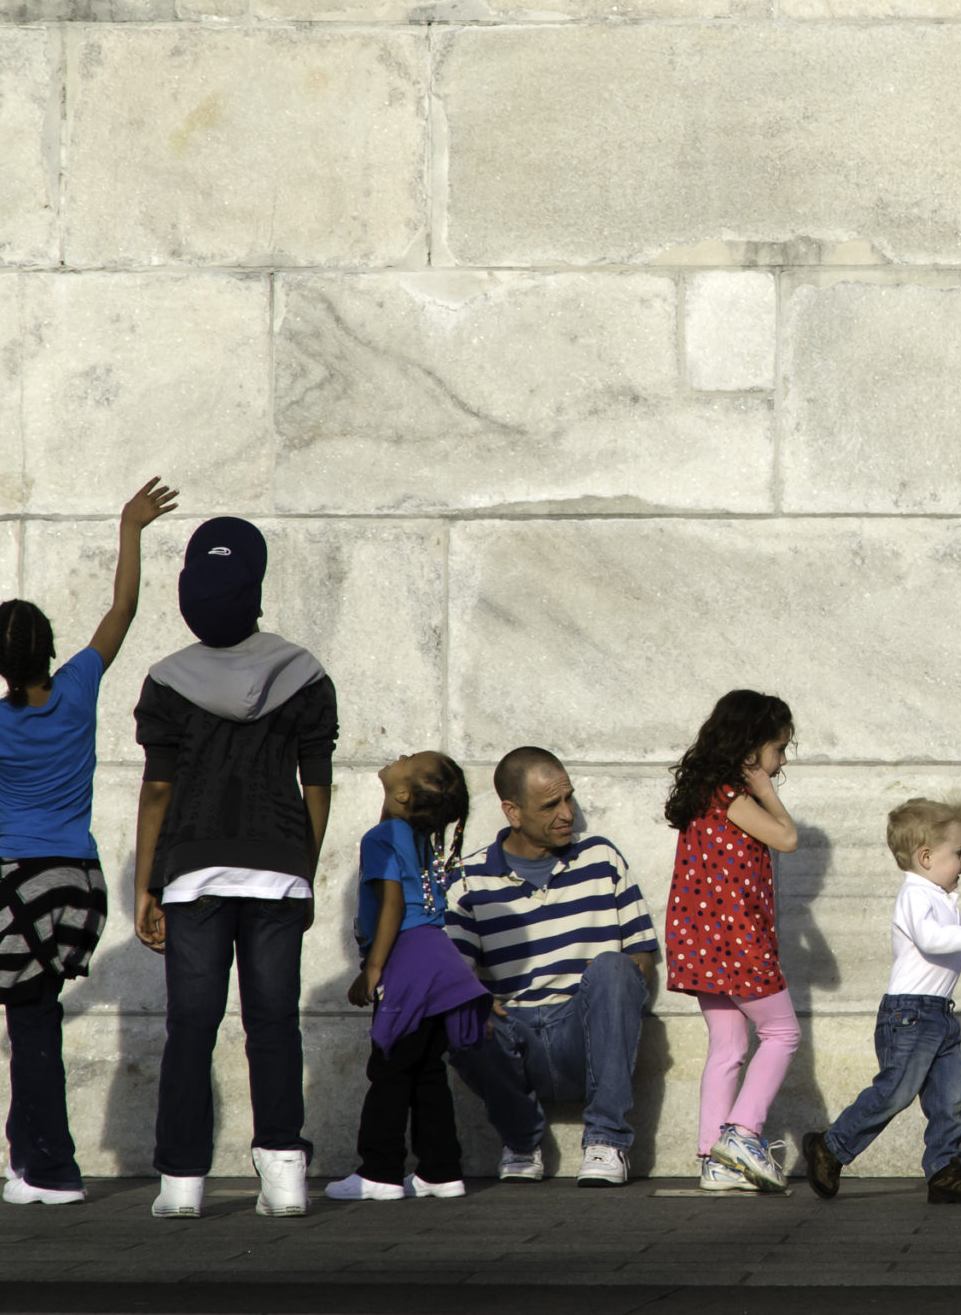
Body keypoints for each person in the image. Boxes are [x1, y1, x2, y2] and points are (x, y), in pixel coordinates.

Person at [0, 478, 178, 1206]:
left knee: (35, 1025)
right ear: (49, 649)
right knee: (35, 1018)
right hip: (79, 880)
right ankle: (29, 1160)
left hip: (23, 883)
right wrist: (130, 526)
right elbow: (122, 610)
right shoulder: (79, 687)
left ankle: (51, 1169)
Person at [133, 516, 339, 1220]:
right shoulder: (304, 673)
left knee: (192, 1027)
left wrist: (146, 883)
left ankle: (182, 1183)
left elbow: (158, 788)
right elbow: (317, 783)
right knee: (274, 1023)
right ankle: (283, 1175)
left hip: (192, 871)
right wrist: (303, 865)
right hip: (279, 867)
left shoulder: (166, 681)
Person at [445, 747, 659, 1187]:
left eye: (569, 800)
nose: (567, 814)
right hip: (513, 1037)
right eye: (550, 806)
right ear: (513, 812)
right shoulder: (469, 880)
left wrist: (609, 1005)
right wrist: (478, 1003)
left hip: (584, 1034)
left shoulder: (601, 859)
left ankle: (607, 1140)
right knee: (460, 1009)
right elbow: (455, 970)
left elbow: (640, 956)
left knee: (616, 968)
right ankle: (522, 1141)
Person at [802, 799, 961, 1205]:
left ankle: (945, 1170)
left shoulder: (936, 894)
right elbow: (931, 940)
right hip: (910, 1015)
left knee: (950, 1100)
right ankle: (831, 1146)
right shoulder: (915, 894)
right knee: (894, 1092)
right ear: (926, 857)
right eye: (959, 853)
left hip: (938, 1015)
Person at [328, 752, 489, 1202]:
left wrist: (373, 968)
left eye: (409, 760)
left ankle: (379, 1172)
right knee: (425, 1070)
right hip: (440, 961)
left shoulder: (381, 836)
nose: (400, 756)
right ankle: (440, 1171)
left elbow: (394, 906)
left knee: (391, 1067)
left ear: (403, 793)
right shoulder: (422, 840)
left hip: (409, 961)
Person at [663, 690, 804, 1193]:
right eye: (778, 748)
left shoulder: (704, 796)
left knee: (728, 1045)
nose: (782, 759)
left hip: (698, 941)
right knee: (782, 1034)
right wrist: (766, 788)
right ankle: (742, 1135)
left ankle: (713, 1157)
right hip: (736, 940)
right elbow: (787, 837)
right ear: (750, 749)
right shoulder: (734, 797)